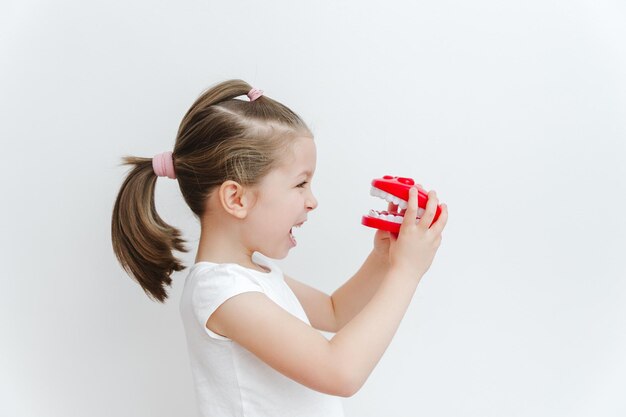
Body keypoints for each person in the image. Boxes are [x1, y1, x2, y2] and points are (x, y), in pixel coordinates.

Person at [111, 79, 448, 417]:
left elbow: (335, 311)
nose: (312, 201)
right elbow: (340, 372)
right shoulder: (221, 292)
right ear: (236, 198)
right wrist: (407, 271)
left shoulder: (253, 277)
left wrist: (383, 258)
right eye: (301, 183)